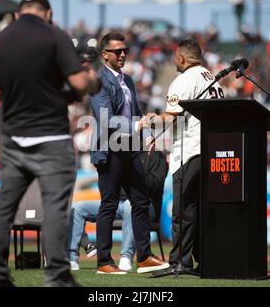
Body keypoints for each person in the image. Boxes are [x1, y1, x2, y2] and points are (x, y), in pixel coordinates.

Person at [0, 0, 100, 287]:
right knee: (54, 209)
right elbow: (77, 83)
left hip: (12, 139)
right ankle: (57, 276)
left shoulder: (0, 41)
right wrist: (92, 80)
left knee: (3, 208)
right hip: (51, 137)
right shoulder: (54, 35)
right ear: (47, 13)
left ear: (21, 11)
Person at [89, 32, 169, 274]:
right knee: (109, 204)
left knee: (141, 201)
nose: (123, 54)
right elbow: (104, 119)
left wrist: (146, 137)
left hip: (130, 149)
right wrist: (137, 127)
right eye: (117, 51)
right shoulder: (99, 81)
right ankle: (104, 262)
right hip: (110, 150)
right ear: (105, 55)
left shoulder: (128, 80)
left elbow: (134, 112)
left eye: (125, 50)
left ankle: (143, 258)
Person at [147, 39, 225, 272]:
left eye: (175, 57)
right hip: (212, 151)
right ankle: (206, 259)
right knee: (202, 210)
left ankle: (180, 261)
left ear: (181, 57)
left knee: (184, 210)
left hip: (190, 151)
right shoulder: (212, 78)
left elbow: (171, 118)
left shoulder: (183, 80)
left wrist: (150, 121)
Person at [66, 151, 168, 271]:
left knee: (130, 205)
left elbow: (156, 184)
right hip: (116, 203)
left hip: (145, 205)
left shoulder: (156, 155)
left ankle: (126, 257)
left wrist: (135, 174)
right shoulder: (120, 153)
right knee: (78, 208)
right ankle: (71, 258)